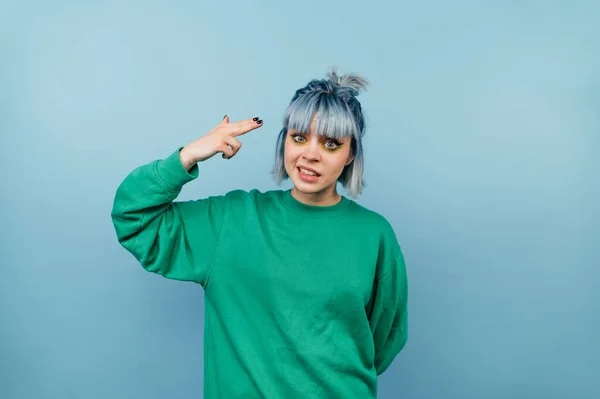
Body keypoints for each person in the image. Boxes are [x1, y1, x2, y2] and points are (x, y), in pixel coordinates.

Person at [111, 68, 408, 398]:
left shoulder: (374, 234)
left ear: (351, 153)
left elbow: (383, 339)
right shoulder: (233, 221)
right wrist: (188, 155)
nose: (310, 153)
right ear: (285, 141)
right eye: (299, 137)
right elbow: (134, 218)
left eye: (331, 143)